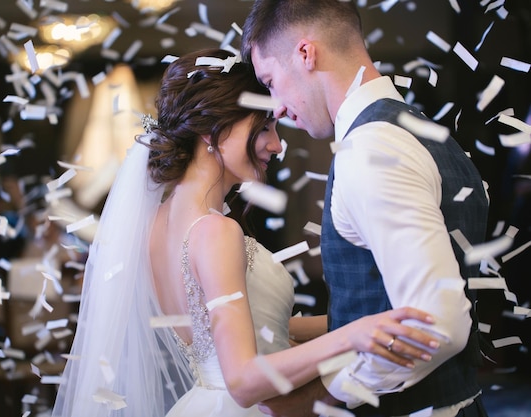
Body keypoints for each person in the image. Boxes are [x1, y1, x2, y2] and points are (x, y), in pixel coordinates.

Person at [51, 48, 442, 417]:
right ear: (212, 130)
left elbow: (244, 328)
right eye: (265, 125)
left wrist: (366, 319)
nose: (277, 143)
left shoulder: (154, 228)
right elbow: (240, 378)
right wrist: (352, 336)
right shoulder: (214, 231)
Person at [240, 1, 490, 416]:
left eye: (270, 80)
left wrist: (328, 392)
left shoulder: (371, 150)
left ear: (306, 54)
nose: (277, 107)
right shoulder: (417, 126)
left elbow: (437, 324)